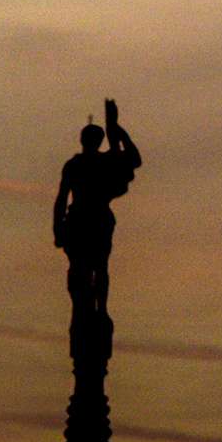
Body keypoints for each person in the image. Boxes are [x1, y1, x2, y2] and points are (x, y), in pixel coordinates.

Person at [50, 100, 142, 315]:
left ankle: (100, 310)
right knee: (85, 270)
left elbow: (135, 160)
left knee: (99, 266)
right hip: (83, 220)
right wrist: (58, 227)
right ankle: (92, 309)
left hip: (92, 219)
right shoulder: (81, 164)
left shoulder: (95, 162)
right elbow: (62, 198)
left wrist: (119, 131)